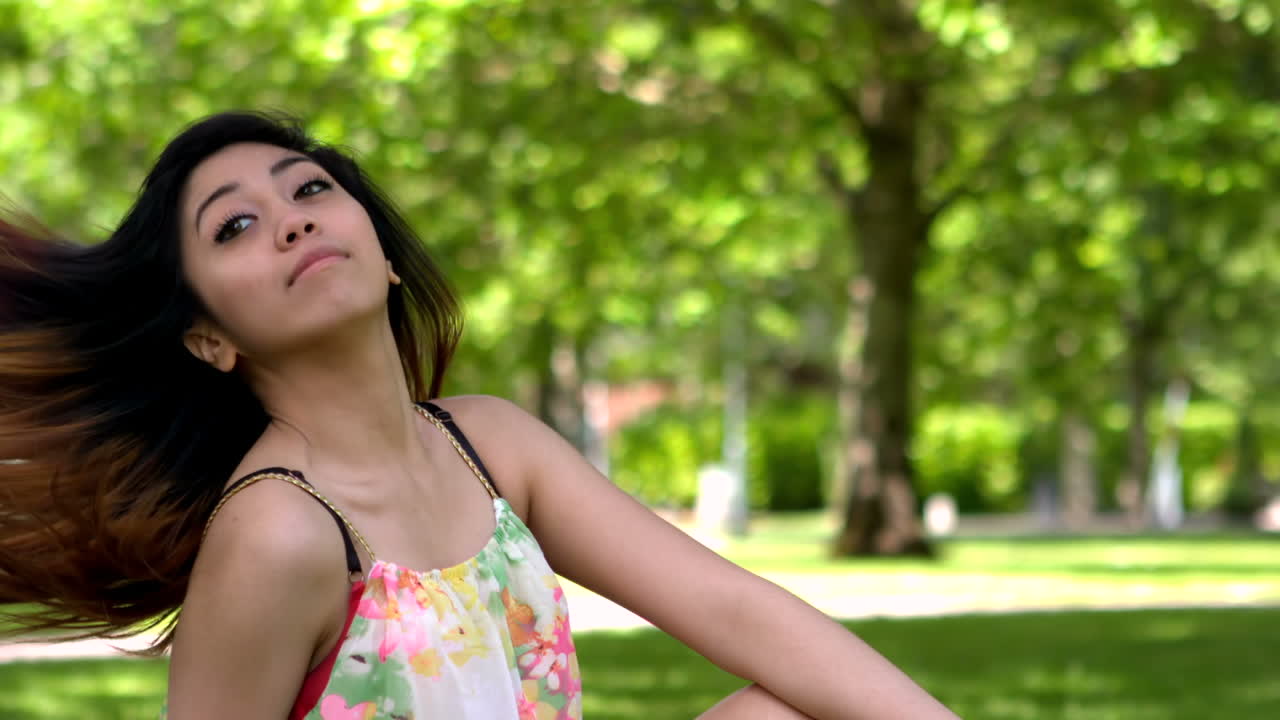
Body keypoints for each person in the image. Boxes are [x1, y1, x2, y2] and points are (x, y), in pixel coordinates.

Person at [0, 111, 958, 719]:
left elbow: (736, 608)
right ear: (208, 337)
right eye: (235, 226)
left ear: (380, 253)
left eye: (310, 189)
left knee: (789, 709)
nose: (291, 218)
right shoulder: (278, 531)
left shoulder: (490, 444)